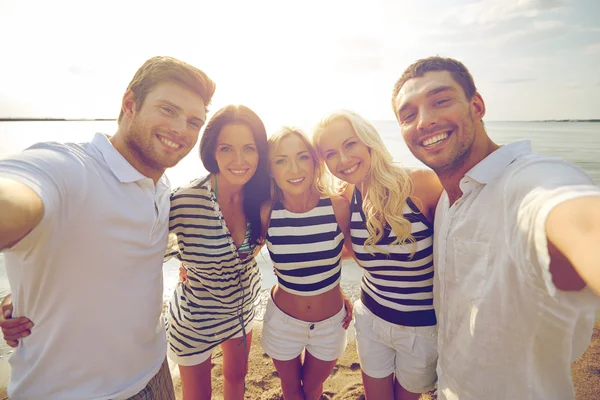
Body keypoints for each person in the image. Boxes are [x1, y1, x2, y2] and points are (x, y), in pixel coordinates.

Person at [0, 56, 215, 399]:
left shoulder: (161, 187)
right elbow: (17, 196)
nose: (181, 129)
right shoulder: (69, 170)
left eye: (193, 121)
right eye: (168, 110)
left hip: (155, 374)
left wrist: (23, 294)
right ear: (130, 104)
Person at [391, 56, 600, 399]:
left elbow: (567, 214)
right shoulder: (446, 202)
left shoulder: (527, 182)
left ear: (477, 105)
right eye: (408, 115)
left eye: (440, 101)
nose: (425, 121)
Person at [313, 110, 443, 400]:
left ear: (368, 140)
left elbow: (464, 248)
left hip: (422, 328)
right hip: (371, 317)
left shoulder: (422, 184)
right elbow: (347, 252)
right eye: (330, 154)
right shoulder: (347, 196)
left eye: (350, 145)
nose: (343, 160)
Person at [166, 104, 270, 399]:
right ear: (212, 151)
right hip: (195, 318)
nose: (239, 160)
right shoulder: (184, 201)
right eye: (227, 149)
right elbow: (136, 251)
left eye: (249, 148)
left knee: (237, 378)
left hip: (242, 309)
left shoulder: (263, 197)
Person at [260, 126, 353, 400]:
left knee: (313, 390)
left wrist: (335, 288)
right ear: (270, 170)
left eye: (302, 157)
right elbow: (242, 254)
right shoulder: (266, 213)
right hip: (283, 322)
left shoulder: (338, 207)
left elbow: (353, 253)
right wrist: (189, 267)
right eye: (281, 160)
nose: (293, 168)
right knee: (291, 392)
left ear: (314, 162)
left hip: (331, 324)